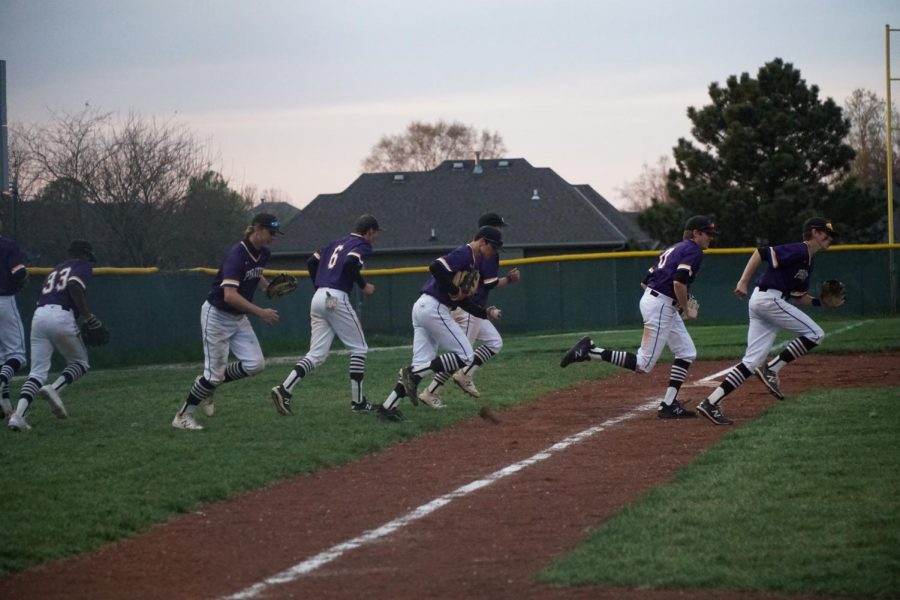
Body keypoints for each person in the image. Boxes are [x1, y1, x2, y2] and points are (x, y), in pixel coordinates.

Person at [559, 215, 719, 419]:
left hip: (657, 301)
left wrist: (677, 304)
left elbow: (646, 282)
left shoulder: (674, 248)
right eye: (708, 234)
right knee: (643, 365)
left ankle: (668, 405)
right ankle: (590, 352)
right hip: (661, 306)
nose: (710, 238)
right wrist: (686, 307)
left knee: (687, 352)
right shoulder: (694, 250)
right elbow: (679, 283)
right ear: (696, 234)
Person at [696, 217, 839, 425]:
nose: (830, 238)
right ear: (814, 232)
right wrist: (742, 282)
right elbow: (761, 252)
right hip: (768, 300)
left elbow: (798, 296)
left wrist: (820, 302)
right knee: (815, 334)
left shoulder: (808, 261)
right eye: (827, 234)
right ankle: (772, 369)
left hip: (766, 302)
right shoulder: (799, 250)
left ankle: (710, 402)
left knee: (751, 361)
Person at [376, 226, 504, 421]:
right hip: (434, 308)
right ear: (483, 242)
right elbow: (435, 266)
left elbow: (461, 301)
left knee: (422, 364)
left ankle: (387, 407)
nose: (494, 252)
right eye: (493, 247)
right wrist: (453, 289)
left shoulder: (473, 263)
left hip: (424, 308)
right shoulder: (466, 253)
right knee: (465, 355)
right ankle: (410, 373)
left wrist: (484, 312)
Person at [171, 213, 282, 430]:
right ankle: (183, 416)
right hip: (217, 317)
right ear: (257, 229)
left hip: (237, 317)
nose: (273, 237)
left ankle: (209, 385)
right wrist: (261, 312)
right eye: (270, 232)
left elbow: (255, 273)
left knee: (255, 364)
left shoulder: (263, 253)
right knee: (213, 374)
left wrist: (268, 287)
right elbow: (229, 295)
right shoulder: (236, 254)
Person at [270, 214, 380, 416]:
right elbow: (349, 264)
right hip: (335, 297)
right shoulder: (362, 244)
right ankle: (358, 403)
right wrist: (363, 286)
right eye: (375, 234)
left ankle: (284, 390)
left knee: (317, 354)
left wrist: (319, 284)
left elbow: (312, 261)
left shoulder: (335, 243)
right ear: (370, 231)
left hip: (320, 296)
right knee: (359, 348)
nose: (375, 238)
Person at [418, 212, 520, 407]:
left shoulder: (475, 250)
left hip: (473, 307)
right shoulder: (488, 252)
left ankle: (465, 375)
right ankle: (430, 392)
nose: (501, 232)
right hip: (468, 309)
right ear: (489, 231)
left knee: (494, 342)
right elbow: (489, 282)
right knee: (460, 355)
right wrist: (509, 280)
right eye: (499, 227)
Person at [8, 240, 100, 431]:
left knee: (36, 372)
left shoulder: (56, 269)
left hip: (39, 315)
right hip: (61, 315)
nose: (89, 260)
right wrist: (88, 317)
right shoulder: (82, 265)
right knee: (80, 363)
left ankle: (17, 416)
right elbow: (74, 285)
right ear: (84, 254)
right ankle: (54, 388)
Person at [0, 215, 29, 419]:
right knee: (17, 356)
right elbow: (19, 273)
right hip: (3, 300)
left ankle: (5, 407)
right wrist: (22, 280)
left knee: (1, 358)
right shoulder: (7, 245)